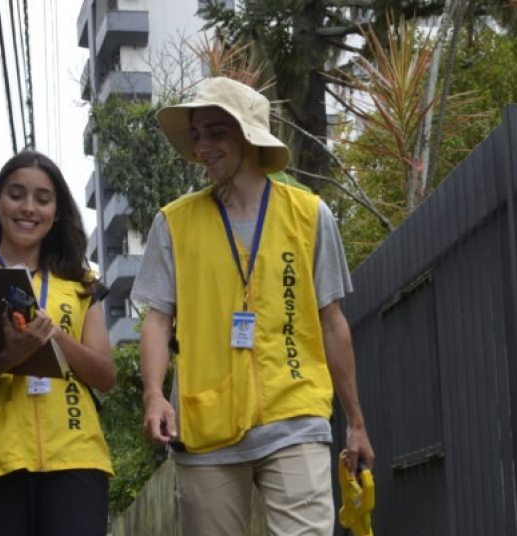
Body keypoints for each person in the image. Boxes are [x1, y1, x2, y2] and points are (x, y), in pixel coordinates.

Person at [131, 76, 375, 536]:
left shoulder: (309, 215)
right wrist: (154, 394)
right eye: (197, 134)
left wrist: (356, 422)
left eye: (216, 132)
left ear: (248, 135)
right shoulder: (174, 223)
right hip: (207, 427)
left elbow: (332, 322)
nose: (203, 146)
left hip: (295, 413)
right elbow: (158, 320)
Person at [0, 150, 114, 536]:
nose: (29, 208)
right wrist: (10, 355)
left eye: (43, 199)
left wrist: (54, 335)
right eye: (16, 195)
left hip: (74, 460)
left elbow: (105, 375)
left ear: (57, 211)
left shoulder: (81, 285)